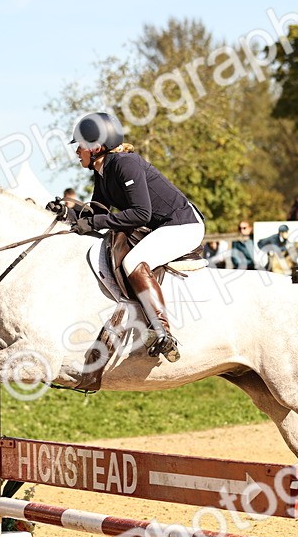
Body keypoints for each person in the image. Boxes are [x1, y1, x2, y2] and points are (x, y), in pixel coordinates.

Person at [67, 111, 205, 367]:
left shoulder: (124, 164)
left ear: (96, 147)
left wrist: (94, 223)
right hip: (162, 226)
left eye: (80, 146)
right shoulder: (102, 170)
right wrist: (68, 213)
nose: (77, 151)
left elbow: (142, 213)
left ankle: (162, 332)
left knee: (133, 261)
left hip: (183, 225)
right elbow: (98, 210)